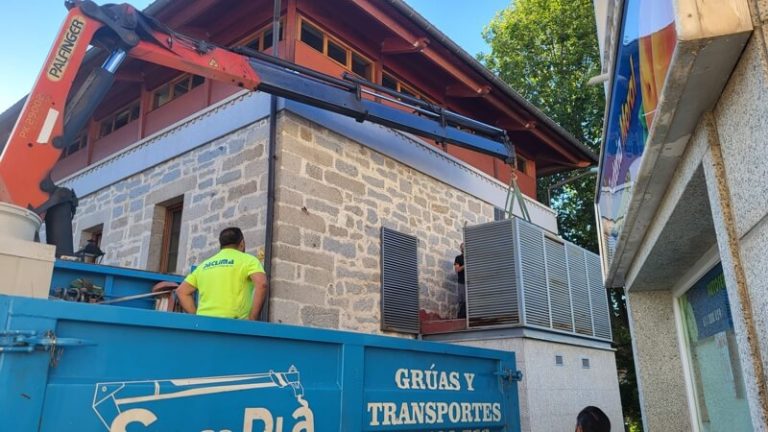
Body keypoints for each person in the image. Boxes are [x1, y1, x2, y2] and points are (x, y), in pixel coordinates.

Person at [177, 227, 268, 320]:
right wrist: (252, 318)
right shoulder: (249, 260)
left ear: (221, 245)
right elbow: (262, 284)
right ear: (242, 243)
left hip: (204, 326)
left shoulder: (203, 265)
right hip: (235, 326)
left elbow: (182, 291)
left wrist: (197, 317)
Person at [453, 243, 466, 319]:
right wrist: (465, 265)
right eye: (462, 247)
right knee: (462, 300)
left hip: (471, 282)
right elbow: (457, 269)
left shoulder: (471, 257)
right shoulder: (458, 258)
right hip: (462, 282)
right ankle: (461, 317)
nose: (464, 248)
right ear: (461, 249)